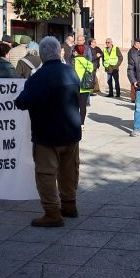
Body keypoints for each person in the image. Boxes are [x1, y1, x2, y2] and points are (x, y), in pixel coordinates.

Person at [15, 36, 82, 227]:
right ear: (58, 52)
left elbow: (22, 102)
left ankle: (52, 213)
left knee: (46, 174)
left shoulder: (38, 78)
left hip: (47, 134)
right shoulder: (71, 72)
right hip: (71, 132)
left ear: (42, 55)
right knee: (69, 171)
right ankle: (69, 206)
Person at [72, 45, 94, 127]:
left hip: (76, 86)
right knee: (83, 106)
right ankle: (82, 124)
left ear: (76, 52)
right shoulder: (87, 61)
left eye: (74, 51)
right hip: (85, 86)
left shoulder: (74, 61)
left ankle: (75, 123)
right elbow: (91, 69)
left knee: (74, 106)